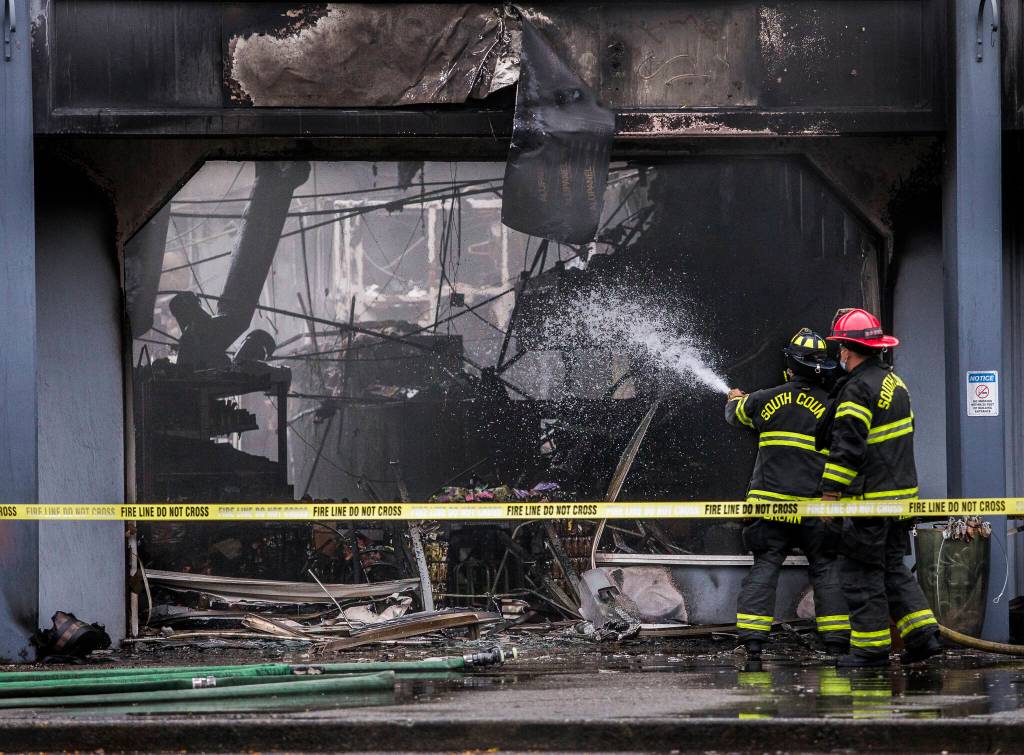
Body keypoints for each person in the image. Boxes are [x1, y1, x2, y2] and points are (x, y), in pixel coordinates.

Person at [816, 308, 941, 668]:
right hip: (900, 500)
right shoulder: (894, 383)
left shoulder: (858, 388)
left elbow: (847, 447)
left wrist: (829, 496)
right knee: (891, 569)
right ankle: (923, 636)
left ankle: (870, 651)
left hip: (869, 502)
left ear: (848, 349)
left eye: (840, 347)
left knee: (860, 574)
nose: (838, 354)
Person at [726, 328, 850, 658]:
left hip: (769, 509)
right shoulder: (834, 407)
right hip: (818, 509)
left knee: (765, 565)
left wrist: (735, 398)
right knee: (826, 567)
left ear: (789, 366)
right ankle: (837, 643)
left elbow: (734, 414)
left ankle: (753, 644)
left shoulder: (765, 398)